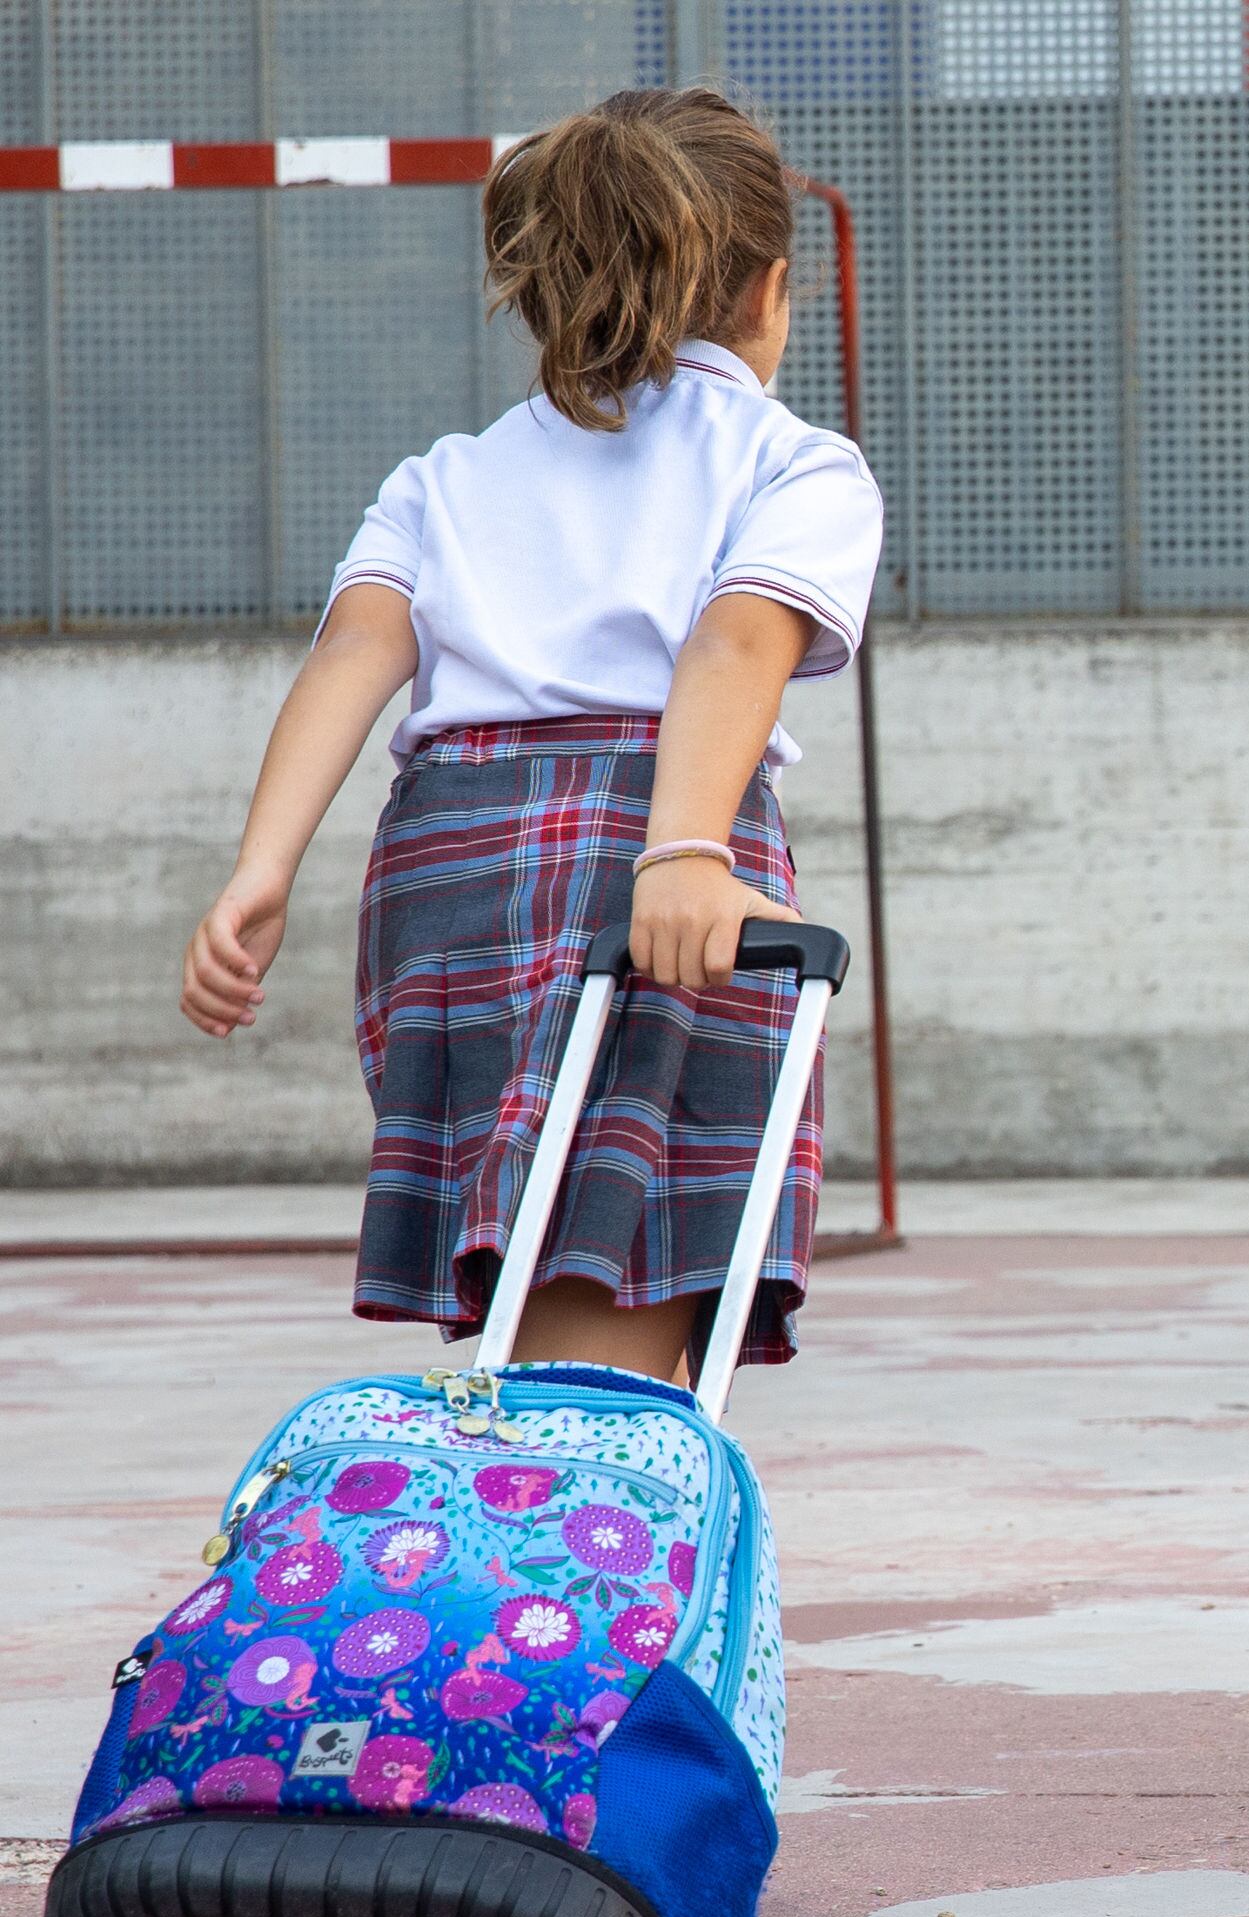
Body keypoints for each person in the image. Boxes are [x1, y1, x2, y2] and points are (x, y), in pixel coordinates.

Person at [176, 89, 884, 1379]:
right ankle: (568, 1546)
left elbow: (354, 653)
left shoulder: (444, 475)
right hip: (643, 838)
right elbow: (731, 643)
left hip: (444, 866)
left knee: (524, 1241)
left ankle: (549, 1523)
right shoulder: (793, 465)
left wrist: (260, 871)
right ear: (772, 290)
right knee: (614, 1287)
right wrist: (682, 850)